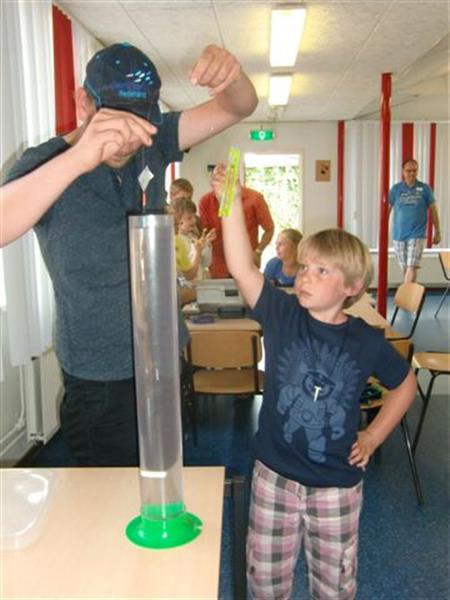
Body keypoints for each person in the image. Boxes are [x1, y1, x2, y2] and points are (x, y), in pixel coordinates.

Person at [1, 42, 258, 466]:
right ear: (82, 102)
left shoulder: (152, 142)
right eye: (114, 123)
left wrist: (232, 78)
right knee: (111, 492)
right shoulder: (45, 163)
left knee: (163, 473)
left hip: (163, 356)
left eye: (137, 124)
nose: (126, 141)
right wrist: (79, 158)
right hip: (100, 376)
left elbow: (239, 106)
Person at [213, 163, 417, 599]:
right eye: (305, 267)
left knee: (334, 586)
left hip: (335, 487)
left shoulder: (365, 340)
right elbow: (240, 265)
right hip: (274, 477)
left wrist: (373, 436)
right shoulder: (282, 313)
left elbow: (405, 385)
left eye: (322, 271)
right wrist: (229, 198)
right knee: (265, 582)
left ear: (352, 287)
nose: (305, 276)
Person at [199, 176, 274, 277]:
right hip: (218, 266)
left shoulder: (255, 198)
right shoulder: (205, 201)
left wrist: (258, 251)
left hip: (246, 263)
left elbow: (269, 229)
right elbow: (204, 232)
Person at [389, 158, 441, 283]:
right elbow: (387, 210)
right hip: (399, 234)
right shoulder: (396, 189)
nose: (412, 173)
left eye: (414, 170)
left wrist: (437, 231)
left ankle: (406, 294)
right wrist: (382, 232)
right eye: (409, 171)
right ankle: (410, 292)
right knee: (406, 268)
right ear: (403, 171)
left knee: (412, 266)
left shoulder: (425, 189)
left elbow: (433, 210)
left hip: (417, 234)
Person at [175, 197, 215, 280]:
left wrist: (207, 244)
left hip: (199, 283)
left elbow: (206, 262)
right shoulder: (177, 241)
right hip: (186, 284)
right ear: (178, 220)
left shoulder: (193, 238)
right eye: (189, 218)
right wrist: (197, 251)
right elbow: (184, 271)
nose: (193, 220)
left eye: (194, 216)